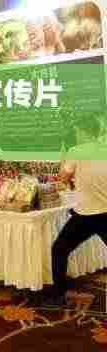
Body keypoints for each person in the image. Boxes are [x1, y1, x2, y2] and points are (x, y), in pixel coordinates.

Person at [47, 115, 107, 305]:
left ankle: (58, 295)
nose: (76, 135)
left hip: (87, 215)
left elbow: (63, 178)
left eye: (77, 132)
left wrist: (65, 158)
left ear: (82, 132)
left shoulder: (76, 151)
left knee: (59, 249)